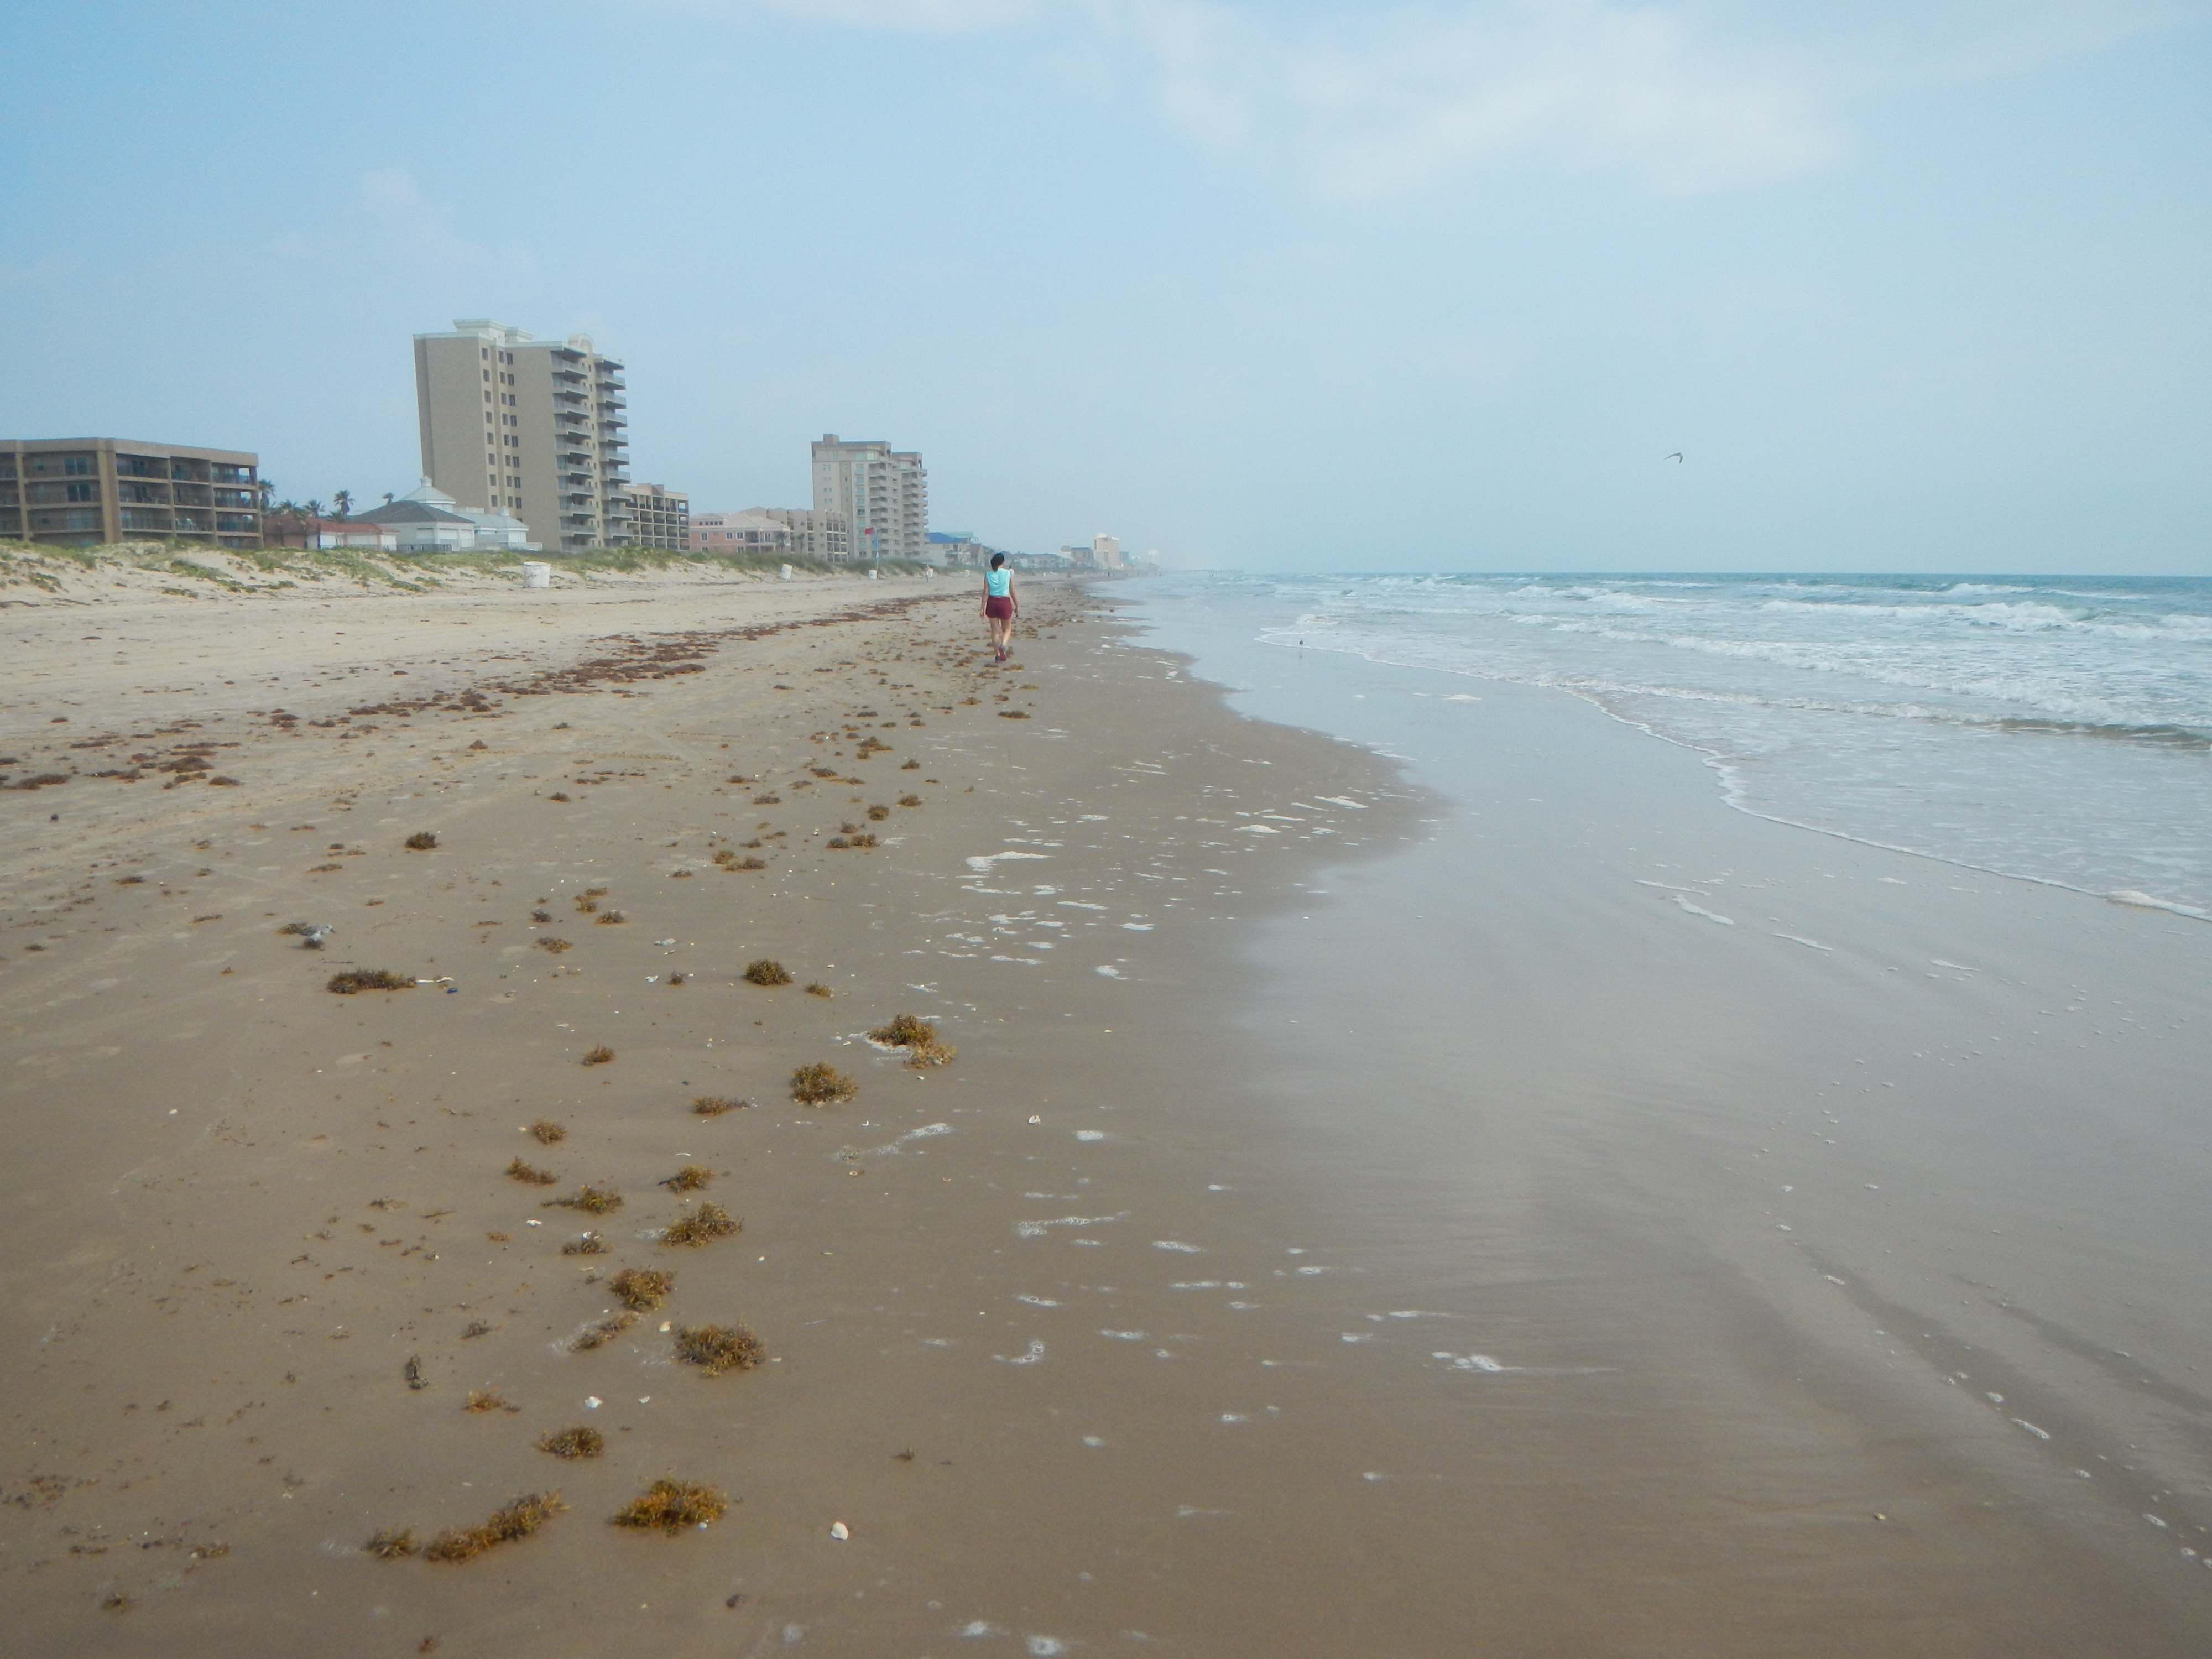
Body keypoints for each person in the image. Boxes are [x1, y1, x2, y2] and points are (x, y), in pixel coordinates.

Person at [980, 552, 1018, 662]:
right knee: (1007, 629)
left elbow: (986, 592)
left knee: (995, 631)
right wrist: (1017, 605)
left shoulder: (988, 574)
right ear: (1003, 562)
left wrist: (982, 608)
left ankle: (997, 655)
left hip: (992, 602)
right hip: (1005, 602)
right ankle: (1003, 645)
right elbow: (1012, 591)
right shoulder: (1008, 573)